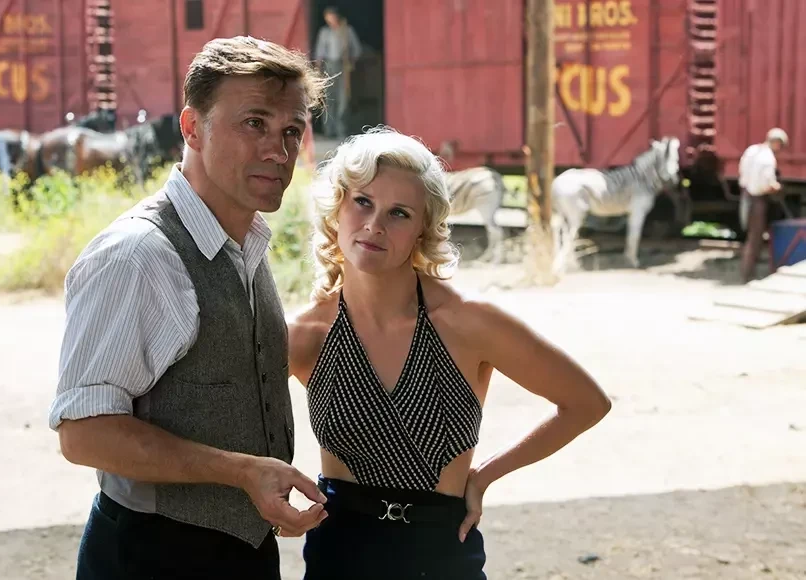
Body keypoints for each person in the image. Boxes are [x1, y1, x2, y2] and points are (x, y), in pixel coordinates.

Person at [48, 36, 331, 579]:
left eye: (291, 131)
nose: (279, 151)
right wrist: (241, 472)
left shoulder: (246, 242)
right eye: (254, 123)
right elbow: (82, 433)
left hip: (243, 551)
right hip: (152, 556)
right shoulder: (138, 254)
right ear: (191, 127)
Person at [288, 127, 612, 579]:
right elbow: (228, 427)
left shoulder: (469, 323)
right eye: (362, 201)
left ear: (423, 229)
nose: (375, 225)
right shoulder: (306, 335)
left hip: (443, 554)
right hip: (341, 554)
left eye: (399, 213)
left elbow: (587, 403)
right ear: (336, 207)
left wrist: (486, 474)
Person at [738, 127, 788, 282]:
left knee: (751, 237)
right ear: (777, 142)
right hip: (758, 200)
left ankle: (747, 272)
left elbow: (742, 172)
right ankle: (748, 276)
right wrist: (778, 187)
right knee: (755, 238)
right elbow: (768, 184)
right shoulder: (768, 158)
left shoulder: (751, 151)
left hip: (746, 196)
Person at [313, 6, 362, 140]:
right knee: (329, 98)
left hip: (343, 67)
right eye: (327, 18)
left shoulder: (347, 30)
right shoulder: (324, 32)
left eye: (331, 17)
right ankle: (329, 130)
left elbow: (357, 50)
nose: (329, 20)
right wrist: (318, 69)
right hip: (328, 66)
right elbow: (319, 52)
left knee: (343, 99)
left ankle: (342, 130)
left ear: (336, 16)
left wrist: (351, 62)